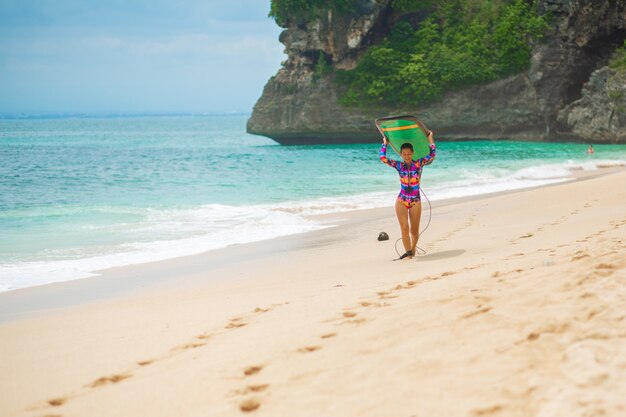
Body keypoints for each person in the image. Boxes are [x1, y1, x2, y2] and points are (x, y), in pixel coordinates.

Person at [380, 131, 436, 259]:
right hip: (402, 200)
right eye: (404, 154)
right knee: (404, 228)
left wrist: (430, 139)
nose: (407, 156)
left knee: (414, 232)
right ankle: (409, 255)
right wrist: (385, 144)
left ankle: (413, 248)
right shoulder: (399, 165)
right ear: (401, 154)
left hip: (415, 201)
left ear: (412, 153)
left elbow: (432, 154)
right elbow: (383, 158)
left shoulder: (419, 163)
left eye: (409, 153)